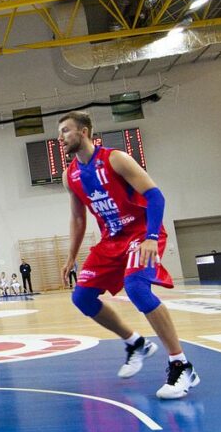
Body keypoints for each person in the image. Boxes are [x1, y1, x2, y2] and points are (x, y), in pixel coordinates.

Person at [59, 111, 198, 400]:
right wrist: (71, 256)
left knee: (136, 287)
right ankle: (136, 343)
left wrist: (151, 237)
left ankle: (181, 364)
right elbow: (78, 219)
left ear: (84, 132)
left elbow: (155, 196)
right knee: (82, 297)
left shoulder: (115, 159)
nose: (60, 137)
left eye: (66, 130)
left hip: (141, 233)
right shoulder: (70, 175)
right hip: (111, 240)